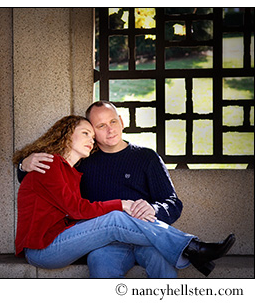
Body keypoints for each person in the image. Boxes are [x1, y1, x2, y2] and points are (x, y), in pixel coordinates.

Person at [13, 114, 235, 277]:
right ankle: (191, 248)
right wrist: (23, 165)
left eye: (111, 122)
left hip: (129, 234)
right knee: (115, 222)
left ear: (121, 121)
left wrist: (152, 209)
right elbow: (73, 205)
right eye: (89, 131)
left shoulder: (144, 158)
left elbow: (172, 202)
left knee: (161, 257)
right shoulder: (60, 164)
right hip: (48, 246)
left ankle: (190, 249)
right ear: (65, 135)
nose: (95, 136)